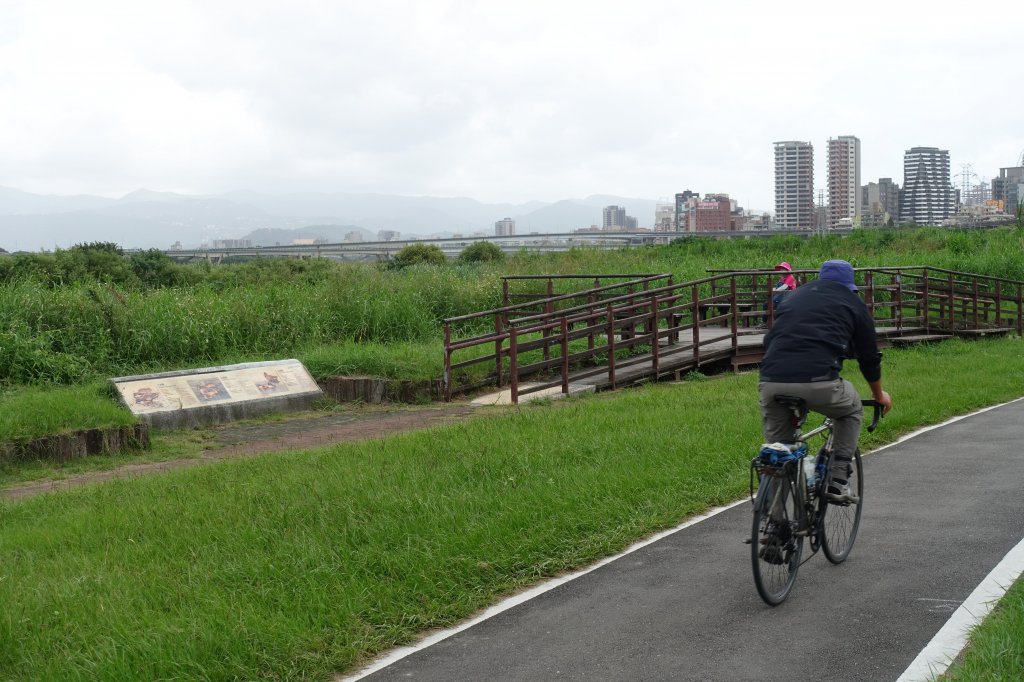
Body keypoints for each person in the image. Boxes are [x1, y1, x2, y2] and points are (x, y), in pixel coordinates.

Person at [758, 259, 893, 503]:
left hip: (770, 380)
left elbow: (771, 340)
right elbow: (869, 358)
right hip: (818, 381)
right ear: (849, 284)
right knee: (852, 409)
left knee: (781, 452)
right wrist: (879, 395)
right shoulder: (854, 304)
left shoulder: (794, 297)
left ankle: (772, 532)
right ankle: (838, 479)